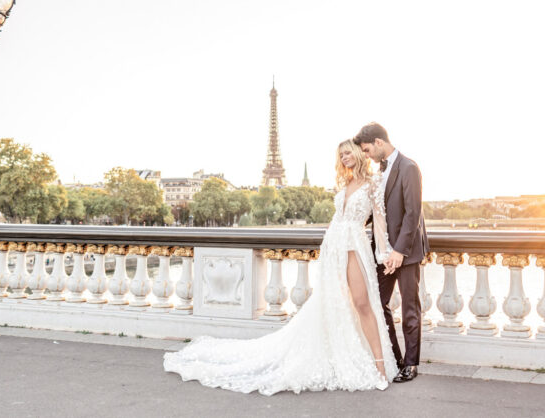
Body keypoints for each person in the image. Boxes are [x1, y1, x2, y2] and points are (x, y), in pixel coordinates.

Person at [163, 140, 398, 394]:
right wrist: (327, 243)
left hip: (354, 245)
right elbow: (336, 218)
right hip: (334, 246)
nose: (344, 158)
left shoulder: (373, 183)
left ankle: (379, 366)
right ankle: (345, 355)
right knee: (335, 303)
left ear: (358, 154)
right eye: (340, 155)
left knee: (362, 303)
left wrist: (384, 253)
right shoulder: (344, 184)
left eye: (348, 153)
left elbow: (380, 222)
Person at [354, 122, 429, 384]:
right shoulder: (378, 172)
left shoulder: (409, 168)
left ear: (379, 142)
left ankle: (411, 364)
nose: (366, 155)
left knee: (410, 308)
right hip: (382, 253)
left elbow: (413, 213)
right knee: (378, 303)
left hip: (405, 253)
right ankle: (395, 358)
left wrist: (400, 251)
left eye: (366, 150)